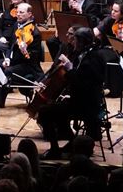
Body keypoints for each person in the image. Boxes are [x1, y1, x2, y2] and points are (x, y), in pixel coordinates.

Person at [35, 26, 106, 159]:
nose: (73, 43)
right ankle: (73, 143)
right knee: (53, 109)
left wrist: (70, 69)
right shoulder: (83, 54)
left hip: (87, 104)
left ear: (82, 42)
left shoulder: (93, 58)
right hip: (79, 99)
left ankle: (56, 149)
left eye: (76, 40)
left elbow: (82, 83)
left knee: (45, 112)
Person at [0, 3, 44, 118]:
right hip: (13, 61)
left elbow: (33, 58)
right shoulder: (17, 25)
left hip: (27, 65)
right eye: (18, 12)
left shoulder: (35, 33)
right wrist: (7, 59)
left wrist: (25, 51)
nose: (18, 14)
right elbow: (10, 46)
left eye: (22, 12)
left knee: (7, 72)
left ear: (29, 14)